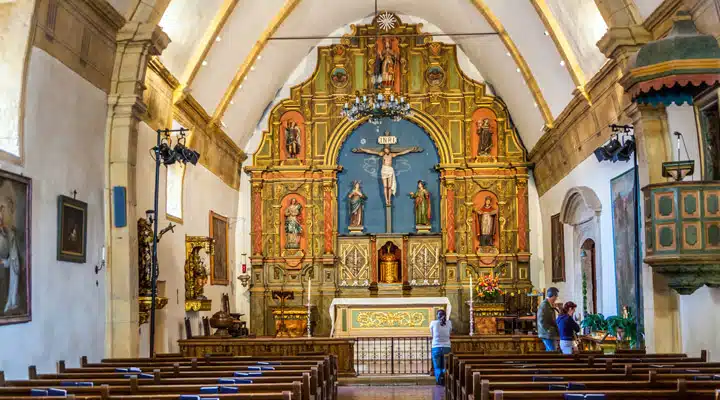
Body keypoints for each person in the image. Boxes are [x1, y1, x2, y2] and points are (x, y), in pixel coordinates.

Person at [430, 309, 452, 385]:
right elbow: (450, 332)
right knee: (445, 366)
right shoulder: (449, 323)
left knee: (437, 367)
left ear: (437, 316)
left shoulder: (433, 323)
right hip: (447, 347)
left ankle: (439, 381)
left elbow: (432, 334)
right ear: (445, 315)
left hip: (436, 347)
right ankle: (444, 379)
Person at [537, 287, 560, 351]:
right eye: (556, 296)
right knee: (552, 352)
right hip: (546, 334)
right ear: (552, 296)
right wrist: (551, 329)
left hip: (549, 334)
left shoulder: (548, 304)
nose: (556, 298)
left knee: (550, 353)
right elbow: (541, 321)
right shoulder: (544, 305)